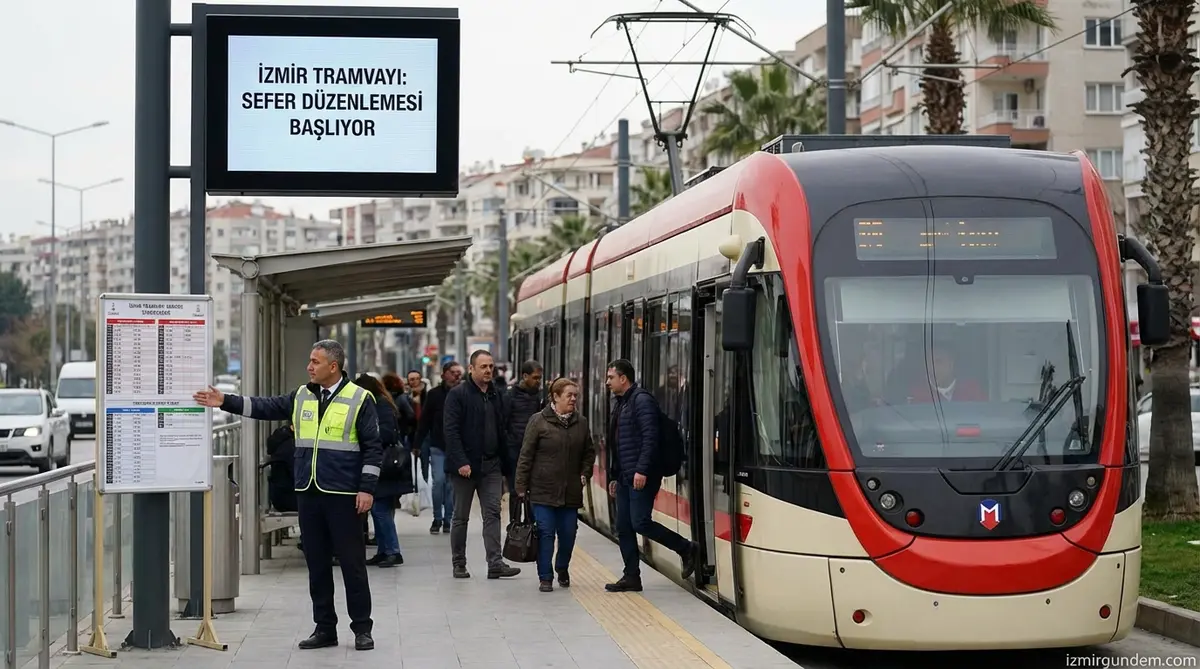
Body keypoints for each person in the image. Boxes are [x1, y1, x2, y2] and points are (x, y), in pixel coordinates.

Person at [193, 340, 381, 651]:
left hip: (345, 495)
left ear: (333, 367)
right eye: (309, 360)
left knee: (352, 564)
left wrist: (366, 489)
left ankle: (362, 628)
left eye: (315, 361)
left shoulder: (360, 399)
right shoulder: (302, 395)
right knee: (317, 565)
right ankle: (325, 628)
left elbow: (374, 449)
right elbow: (265, 406)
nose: (309, 366)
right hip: (308, 492)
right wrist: (224, 400)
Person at [602, 358, 698, 593]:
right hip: (626, 475)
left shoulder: (641, 401)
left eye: (610, 378)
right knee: (623, 526)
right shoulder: (622, 403)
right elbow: (619, 443)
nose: (607, 383)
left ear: (623, 378)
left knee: (640, 522)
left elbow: (650, 438)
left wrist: (642, 470)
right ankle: (631, 576)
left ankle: (685, 548)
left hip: (641, 474)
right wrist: (615, 476)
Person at [443, 350, 521, 580]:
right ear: (471, 369)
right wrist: (461, 461)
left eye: (490, 367)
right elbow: (451, 431)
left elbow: (502, 430)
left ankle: (495, 562)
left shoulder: (496, 395)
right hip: (465, 468)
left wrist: (507, 466)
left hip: (491, 465)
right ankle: (459, 563)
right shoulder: (458, 395)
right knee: (461, 516)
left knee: (493, 513)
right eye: (483, 366)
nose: (488, 371)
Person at [515, 378, 595, 592]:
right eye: (569, 395)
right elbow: (526, 455)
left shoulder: (581, 422)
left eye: (575, 395)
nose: (573, 399)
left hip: (570, 491)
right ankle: (545, 577)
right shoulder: (538, 421)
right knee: (546, 533)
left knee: (568, 534)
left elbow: (589, 452)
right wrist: (520, 486)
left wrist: (585, 472)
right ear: (555, 397)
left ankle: (562, 567)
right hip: (542, 490)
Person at [354, 374, 405, 568]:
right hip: (383, 464)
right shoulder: (383, 403)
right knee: (381, 509)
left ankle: (392, 550)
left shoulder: (380, 405)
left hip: (382, 464)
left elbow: (385, 433)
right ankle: (384, 551)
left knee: (380, 509)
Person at [414, 361, 463, 534]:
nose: (456, 375)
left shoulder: (464, 394)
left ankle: (448, 519)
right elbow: (425, 419)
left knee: (451, 485)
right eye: (452, 372)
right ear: (443, 375)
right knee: (439, 482)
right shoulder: (434, 395)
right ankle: (437, 517)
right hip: (438, 445)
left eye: (459, 372)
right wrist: (417, 443)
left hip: (457, 447)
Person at [505, 360, 544, 520]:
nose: (538, 381)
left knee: (532, 491)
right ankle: (514, 525)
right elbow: (504, 423)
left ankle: (530, 526)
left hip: (534, 450)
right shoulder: (510, 396)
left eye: (540, 378)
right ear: (525, 376)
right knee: (516, 491)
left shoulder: (539, 397)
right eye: (535, 378)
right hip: (514, 450)